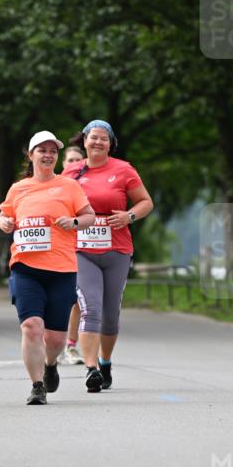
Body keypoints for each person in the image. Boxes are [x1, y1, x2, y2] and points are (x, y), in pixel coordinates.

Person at [0, 130, 95, 405]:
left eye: (53, 151)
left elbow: (89, 216)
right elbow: (5, 216)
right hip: (25, 267)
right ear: (31, 155)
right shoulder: (19, 188)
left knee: (54, 339)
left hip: (61, 269)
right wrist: (4, 222)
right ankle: (37, 385)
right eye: (42, 150)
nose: (48, 155)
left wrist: (73, 223)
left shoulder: (69, 187)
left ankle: (51, 364)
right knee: (31, 326)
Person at [64, 119, 153, 392]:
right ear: (85, 141)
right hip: (82, 249)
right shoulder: (71, 173)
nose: (98, 142)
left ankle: (105, 362)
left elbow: (146, 202)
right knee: (90, 306)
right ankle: (91, 369)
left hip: (117, 249)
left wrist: (129, 216)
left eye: (104, 138)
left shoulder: (123, 170)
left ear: (110, 143)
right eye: (93, 137)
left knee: (110, 313)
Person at [59, 144, 87, 366]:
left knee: (76, 299)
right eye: (70, 160)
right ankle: (52, 343)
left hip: (84, 247)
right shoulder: (56, 186)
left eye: (79, 160)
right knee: (56, 297)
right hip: (59, 247)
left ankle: (70, 345)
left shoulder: (88, 187)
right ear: (63, 163)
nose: (74, 164)